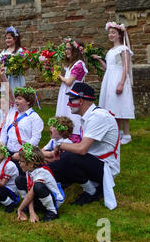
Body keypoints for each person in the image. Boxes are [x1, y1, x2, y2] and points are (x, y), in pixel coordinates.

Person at [49, 82, 120, 210]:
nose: (68, 104)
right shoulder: (89, 117)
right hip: (94, 160)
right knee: (57, 165)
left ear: (81, 101)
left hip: (106, 166)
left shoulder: (98, 117)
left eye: (71, 100)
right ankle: (52, 183)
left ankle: (92, 191)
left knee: (68, 157)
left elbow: (82, 149)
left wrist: (60, 145)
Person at [95, 21, 135, 145]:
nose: (111, 35)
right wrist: (99, 60)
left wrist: (121, 83)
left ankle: (127, 134)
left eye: (113, 32)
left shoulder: (123, 49)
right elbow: (109, 67)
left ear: (119, 35)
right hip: (110, 79)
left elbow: (125, 67)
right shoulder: (111, 51)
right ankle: (118, 132)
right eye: (109, 33)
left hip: (118, 78)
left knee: (122, 105)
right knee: (113, 106)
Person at [16, 144, 65, 223]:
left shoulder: (42, 172)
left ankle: (52, 212)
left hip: (53, 199)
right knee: (19, 180)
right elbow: (29, 191)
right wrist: (31, 210)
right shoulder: (29, 170)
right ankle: (29, 207)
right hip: (38, 196)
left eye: (21, 161)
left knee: (38, 186)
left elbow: (31, 193)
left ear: (31, 164)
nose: (19, 163)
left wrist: (20, 209)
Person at [0, 86, 44, 171]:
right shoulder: (12, 113)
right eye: (16, 98)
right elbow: (5, 131)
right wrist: (1, 147)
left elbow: (35, 139)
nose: (16, 101)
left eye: (19, 99)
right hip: (8, 152)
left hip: (25, 156)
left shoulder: (34, 118)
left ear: (28, 101)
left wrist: (21, 154)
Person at [56, 38, 88, 143]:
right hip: (67, 92)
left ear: (76, 51)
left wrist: (59, 76)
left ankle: (74, 137)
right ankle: (63, 135)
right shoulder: (72, 64)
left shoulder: (79, 64)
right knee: (64, 112)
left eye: (69, 49)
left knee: (72, 115)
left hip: (74, 93)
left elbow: (69, 81)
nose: (66, 51)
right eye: (66, 49)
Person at [0, 26, 25, 93]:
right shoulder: (3, 52)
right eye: (6, 38)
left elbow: (23, 64)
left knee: (15, 93)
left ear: (15, 39)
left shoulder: (19, 51)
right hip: (6, 77)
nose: (7, 40)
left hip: (15, 78)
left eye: (9, 38)